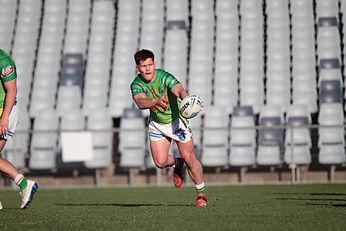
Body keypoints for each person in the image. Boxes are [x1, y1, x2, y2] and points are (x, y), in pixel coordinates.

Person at [130, 49, 207, 207]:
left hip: (177, 121)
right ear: (138, 67)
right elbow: (140, 102)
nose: (148, 69)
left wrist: (186, 100)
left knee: (190, 158)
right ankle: (177, 164)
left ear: (154, 64)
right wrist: (155, 101)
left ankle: (201, 194)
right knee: (160, 162)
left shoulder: (164, 76)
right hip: (157, 124)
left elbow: (179, 89)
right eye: (144, 66)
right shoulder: (137, 84)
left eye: (150, 64)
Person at [0, 48, 38, 209]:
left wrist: (4, 119)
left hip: (5, 112)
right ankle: (24, 185)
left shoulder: (3, 61)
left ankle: (24, 184)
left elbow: (12, 90)